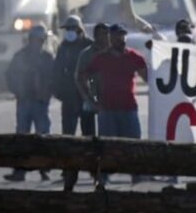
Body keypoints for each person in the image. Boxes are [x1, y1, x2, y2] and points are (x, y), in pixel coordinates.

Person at [84, 24, 148, 184]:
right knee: (106, 146)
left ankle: (136, 173)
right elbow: (82, 76)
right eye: (118, 36)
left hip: (128, 107)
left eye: (123, 35)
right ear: (110, 38)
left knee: (133, 143)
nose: (121, 39)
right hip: (107, 108)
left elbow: (149, 78)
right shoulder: (101, 58)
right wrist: (90, 99)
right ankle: (103, 174)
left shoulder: (133, 57)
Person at [4, 24, 56, 182]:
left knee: (43, 138)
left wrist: (47, 94)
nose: (37, 43)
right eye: (35, 39)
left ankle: (44, 170)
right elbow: (10, 76)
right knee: (22, 138)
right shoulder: (20, 56)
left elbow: (54, 79)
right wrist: (17, 91)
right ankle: (20, 171)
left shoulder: (47, 58)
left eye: (40, 40)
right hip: (24, 101)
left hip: (40, 103)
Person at [54, 16, 96, 191]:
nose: (69, 32)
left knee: (89, 135)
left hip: (85, 96)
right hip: (69, 98)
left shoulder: (90, 45)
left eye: (72, 28)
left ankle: (94, 169)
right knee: (68, 136)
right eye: (67, 29)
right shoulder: (64, 47)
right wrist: (58, 91)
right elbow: (56, 71)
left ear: (79, 29)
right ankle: (68, 169)